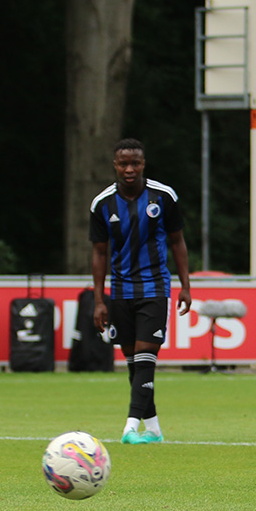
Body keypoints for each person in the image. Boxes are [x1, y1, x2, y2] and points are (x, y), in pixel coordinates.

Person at [90, 138, 192, 444]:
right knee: (134, 362)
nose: (130, 168)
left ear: (143, 164)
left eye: (135, 162)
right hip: (120, 291)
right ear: (115, 165)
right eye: (124, 163)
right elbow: (98, 253)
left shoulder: (163, 196)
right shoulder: (102, 204)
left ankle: (130, 427)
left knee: (147, 356)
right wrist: (98, 300)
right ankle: (154, 430)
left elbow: (177, 241)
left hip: (155, 288)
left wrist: (186, 285)